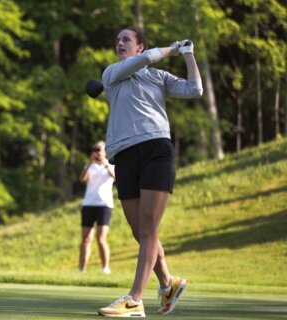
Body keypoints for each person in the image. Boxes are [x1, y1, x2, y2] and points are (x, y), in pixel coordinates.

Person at [97, 27, 203, 318]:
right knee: (139, 231)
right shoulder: (112, 74)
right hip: (124, 156)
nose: (119, 43)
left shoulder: (159, 77)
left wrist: (188, 54)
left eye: (126, 39)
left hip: (156, 149)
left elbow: (195, 90)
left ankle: (134, 299)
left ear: (139, 46)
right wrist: (170, 50)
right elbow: (141, 63)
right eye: (117, 40)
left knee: (147, 231)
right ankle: (168, 284)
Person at [79, 141, 115, 274]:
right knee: (86, 238)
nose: (97, 152)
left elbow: (115, 177)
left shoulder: (110, 164)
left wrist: (105, 163)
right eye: (95, 149)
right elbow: (82, 178)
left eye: (99, 149)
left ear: (105, 151)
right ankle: (82, 270)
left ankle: (105, 268)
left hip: (104, 205)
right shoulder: (89, 166)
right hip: (88, 204)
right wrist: (90, 162)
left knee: (101, 237)